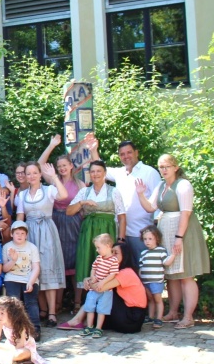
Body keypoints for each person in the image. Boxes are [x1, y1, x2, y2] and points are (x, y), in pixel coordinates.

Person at [135, 154, 210, 329]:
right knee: (172, 275)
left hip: (183, 231)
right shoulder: (161, 186)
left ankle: (188, 317)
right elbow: (150, 207)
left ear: (175, 167)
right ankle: (173, 312)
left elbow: (186, 213)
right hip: (166, 230)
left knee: (186, 275)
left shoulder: (183, 185)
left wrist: (179, 238)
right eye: (161, 167)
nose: (163, 170)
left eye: (167, 166)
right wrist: (140, 194)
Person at [87, 136, 162, 265]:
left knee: (144, 270)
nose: (126, 156)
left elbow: (159, 200)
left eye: (129, 152)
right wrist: (94, 150)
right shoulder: (120, 173)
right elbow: (100, 168)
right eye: (122, 154)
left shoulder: (149, 172)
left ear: (136, 153)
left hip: (142, 233)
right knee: (124, 272)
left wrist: (155, 227)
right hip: (120, 232)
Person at [15, 162, 68, 328]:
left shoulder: (49, 189)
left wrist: (53, 177)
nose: (31, 176)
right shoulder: (22, 195)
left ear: (39, 174)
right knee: (34, 271)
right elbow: (20, 217)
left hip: (47, 231)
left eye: (34, 173)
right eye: (28, 173)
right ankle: (42, 310)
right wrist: (17, 237)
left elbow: (64, 195)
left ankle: (52, 312)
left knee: (48, 269)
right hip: (29, 232)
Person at [67, 159, 126, 300]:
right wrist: (82, 202)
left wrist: (120, 241)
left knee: (107, 265)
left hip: (107, 232)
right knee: (88, 262)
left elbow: (122, 217)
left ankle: (107, 304)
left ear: (105, 173)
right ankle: (88, 302)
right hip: (88, 234)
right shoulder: (84, 192)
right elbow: (69, 211)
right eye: (92, 171)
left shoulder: (113, 191)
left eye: (99, 171)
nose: (95, 174)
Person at [39, 134, 85, 312]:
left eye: (65, 165)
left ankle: (77, 302)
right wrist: (51, 145)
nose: (62, 168)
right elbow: (40, 165)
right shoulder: (52, 180)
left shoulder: (80, 184)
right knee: (58, 261)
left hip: (74, 223)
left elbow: (83, 205)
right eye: (59, 166)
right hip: (56, 220)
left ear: (71, 166)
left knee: (75, 261)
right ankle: (56, 304)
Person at [58, 243, 147, 333]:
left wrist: (89, 282)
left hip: (132, 317)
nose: (112, 255)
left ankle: (77, 320)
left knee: (100, 293)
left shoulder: (126, 272)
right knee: (100, 296)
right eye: (111, 252)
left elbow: (100, 288)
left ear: (125, 255)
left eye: (116, 253)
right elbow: (100, 280)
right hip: (128, 315)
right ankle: (83, 321)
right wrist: (89, 279)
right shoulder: (115, 271)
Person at [0, 296, 53, 364]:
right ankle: (6, 360)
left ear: (11, 313)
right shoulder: (0, 321)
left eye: (2, 313)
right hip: (9, 347)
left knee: (22, 353)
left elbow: (19, 347)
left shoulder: (21, 326)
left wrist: (3, 349)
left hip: (21, 349)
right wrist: (0, 347)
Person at [1, 220, 41, 340]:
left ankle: (35, 329)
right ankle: (13, 328)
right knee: (14, 302)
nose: (19, 236)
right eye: (17, 233)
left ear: (26, 235)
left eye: (22, 233)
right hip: (12, 278)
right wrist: (13, 260)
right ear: (12, 234)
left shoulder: (32, 247)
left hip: (29, 278)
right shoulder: (7, 247)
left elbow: (36, 267)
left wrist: (31, 281)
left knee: (31, 302)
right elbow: (5, 269)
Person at [78, 234, 120, 338]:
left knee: (102, 309)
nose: (97, 250)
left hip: (106, 290)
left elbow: (113, 274)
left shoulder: (113, 260)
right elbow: (93, 268)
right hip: (94, 289)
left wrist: (103, 282)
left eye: (98, 247)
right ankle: (89, 326)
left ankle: (98, 328)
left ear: (108, 246)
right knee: (89, 306)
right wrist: (93, 277)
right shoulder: (98, 258)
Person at [138, 225, 174, 328]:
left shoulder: (161, 251)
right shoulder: (143, 253)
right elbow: (141, 267)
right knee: (150, 299)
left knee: (157, 299)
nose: (147, 241)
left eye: (150, 239)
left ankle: (158, 318)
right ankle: (150, 316)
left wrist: (173, 255)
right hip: (146, 282)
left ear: (156, 238)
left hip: (156, 281)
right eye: (145, 239)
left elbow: (166, 262)